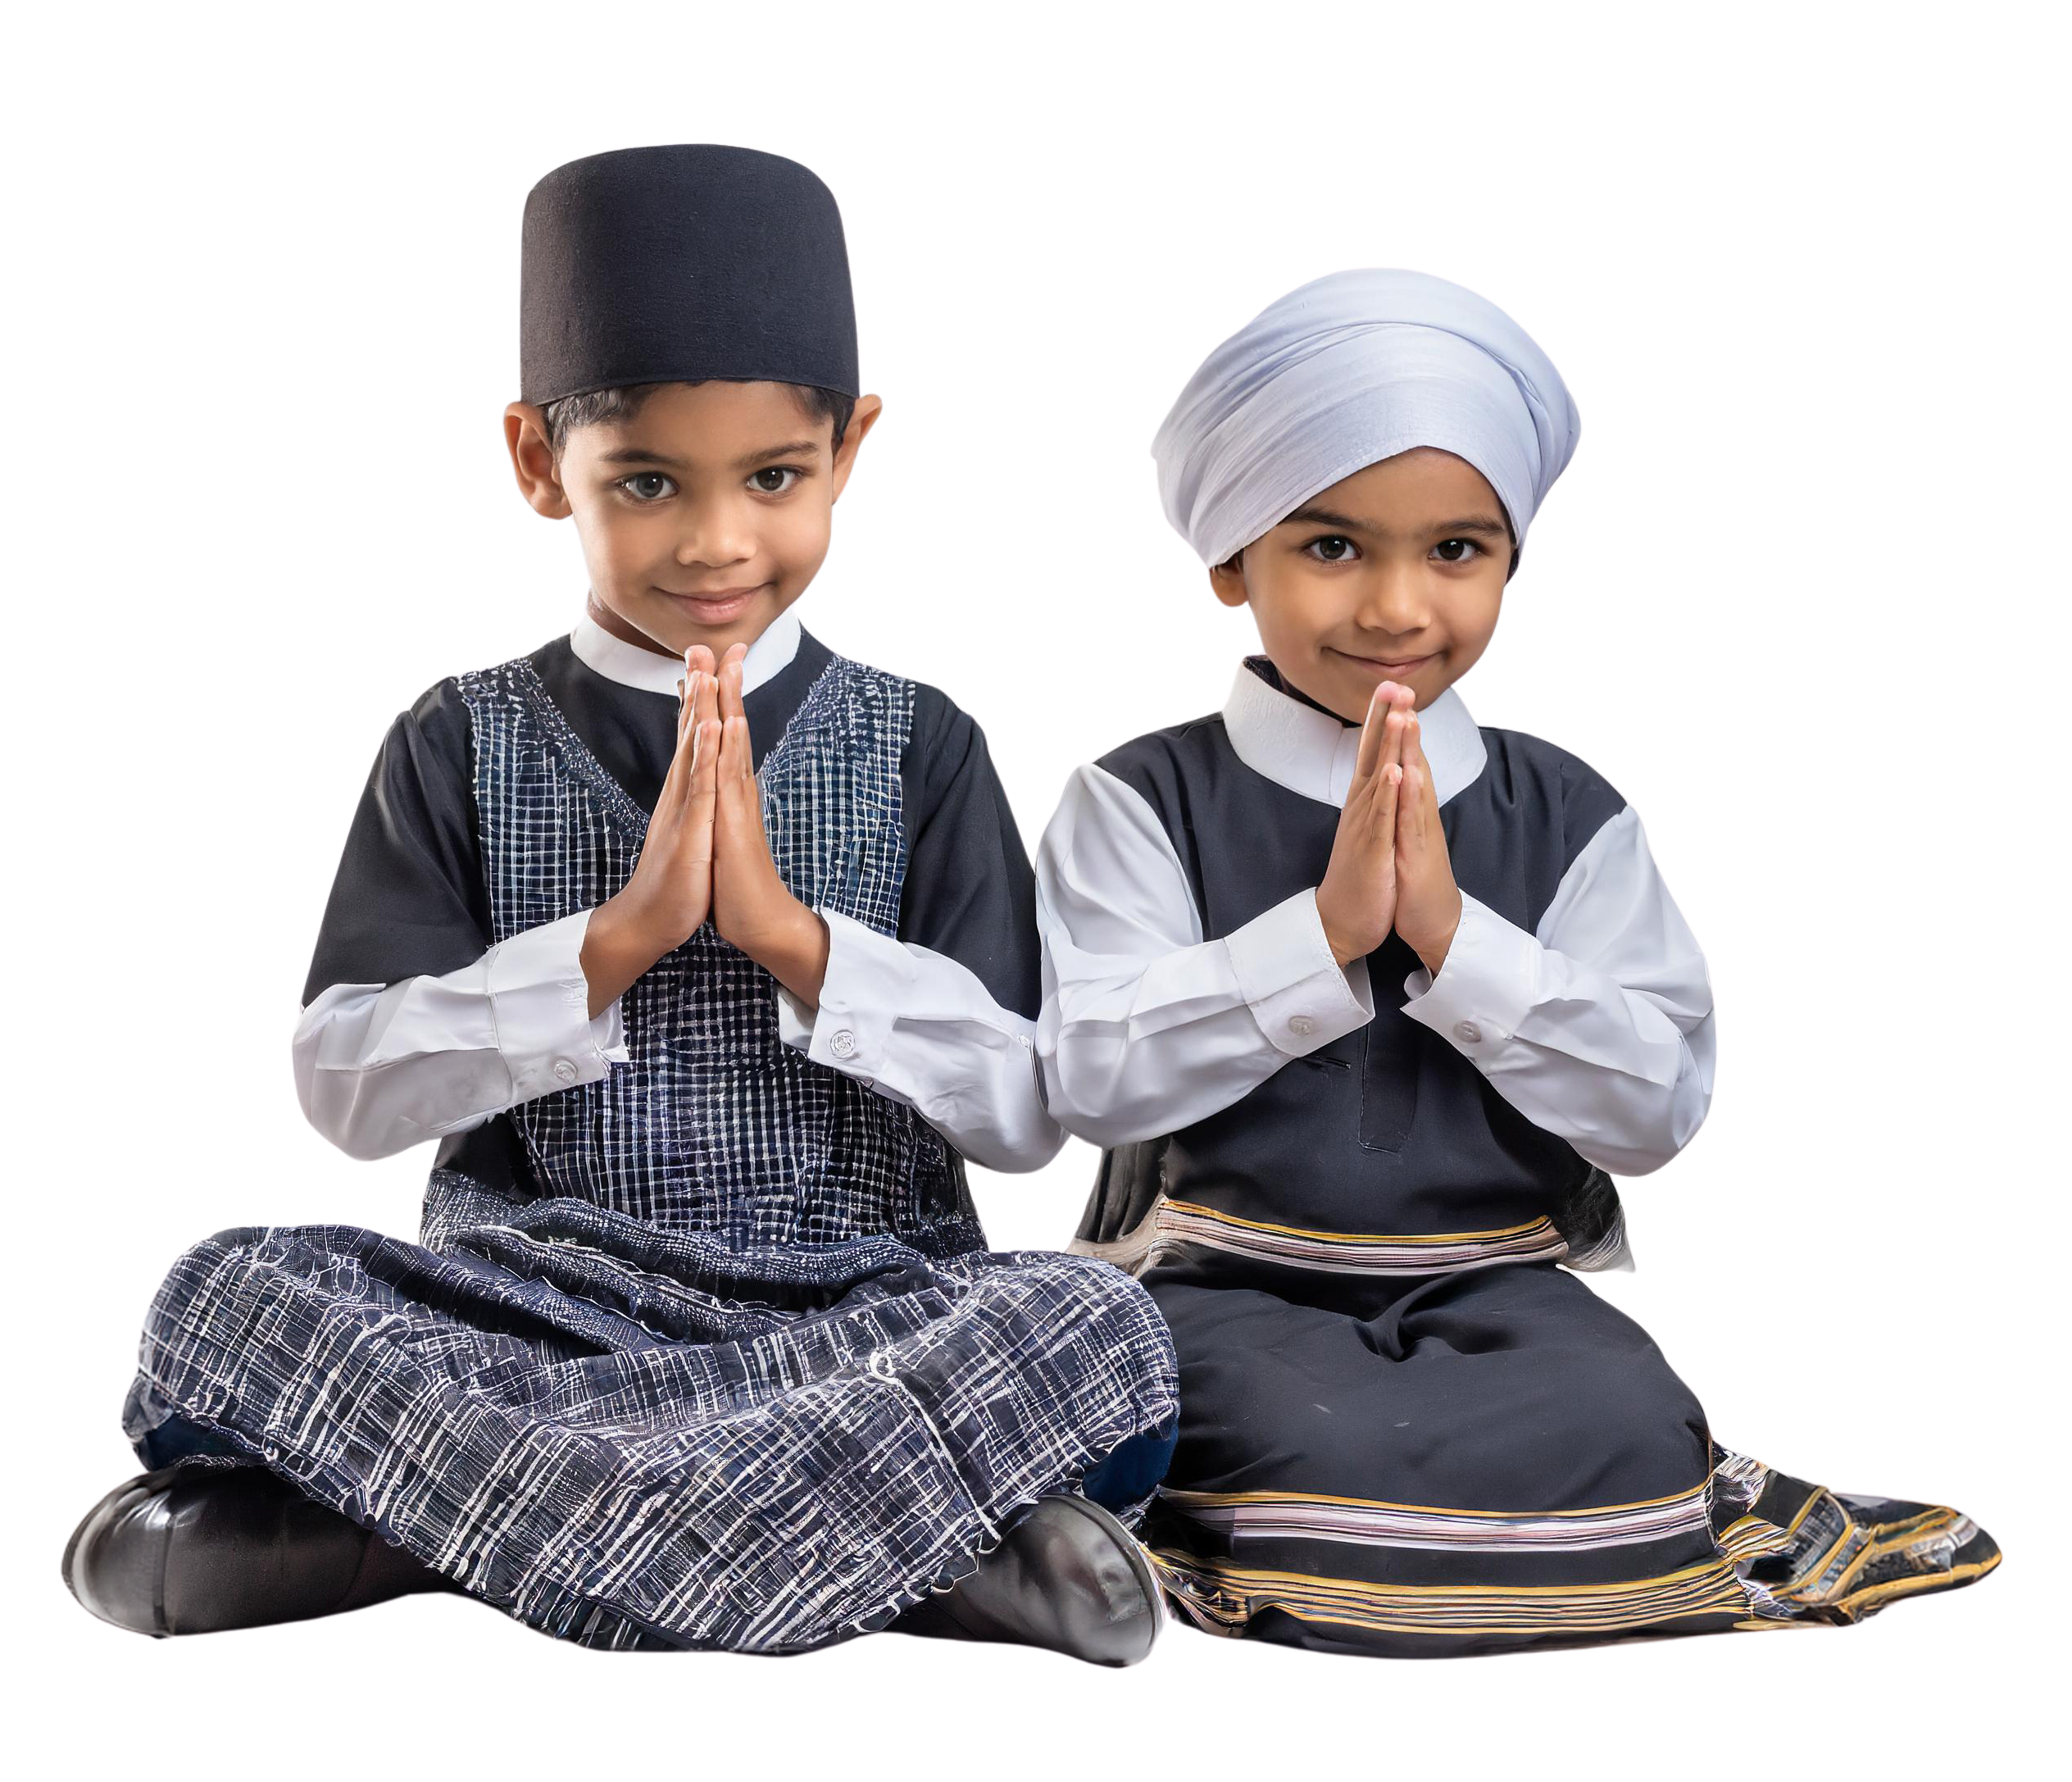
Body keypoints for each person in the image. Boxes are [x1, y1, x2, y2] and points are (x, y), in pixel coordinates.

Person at [59, 143, 1178, 1666]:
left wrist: (791, 939)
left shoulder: (925, 737)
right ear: (538, 463)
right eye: (647, 481)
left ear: (850, 450)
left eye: (773, 478)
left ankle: (386, 1536)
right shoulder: (455, 736)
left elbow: (1028, 1119)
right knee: (232, 1287)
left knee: (1089, 1318)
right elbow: (345, 1091)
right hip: (524, 1311)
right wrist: (616, 940)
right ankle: (913, 1553)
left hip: (858, 1314)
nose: (716, 541)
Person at [1031, 266, 2002, 1660]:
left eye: (1455, 550)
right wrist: (1323, 934)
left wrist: (1453, 935)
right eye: (1331, 546)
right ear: (1230, 562)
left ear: (1510, 560)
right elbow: (1090, 1081)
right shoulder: (1135, 797)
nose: (1397, 606)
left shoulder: (1570, 808)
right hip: (1221, 1282)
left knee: (1634, 1430)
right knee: (1308, 1449)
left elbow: (1655, 1111)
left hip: (1503, 1286)